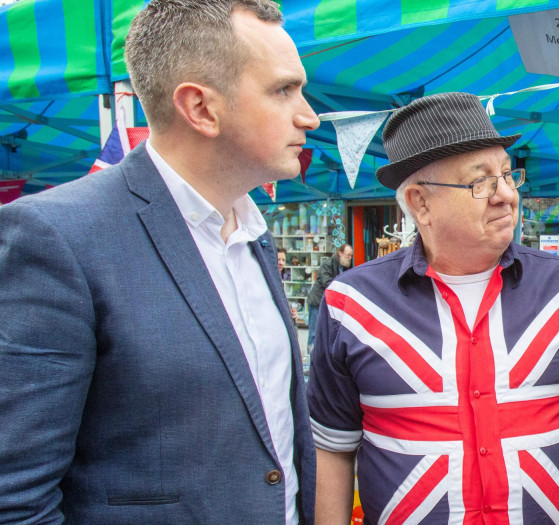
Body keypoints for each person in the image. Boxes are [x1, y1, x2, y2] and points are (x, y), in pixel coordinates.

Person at [0, 1, 319, 522]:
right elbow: (15, 496)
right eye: (284, 90)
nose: (309, 115)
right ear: (200, 109)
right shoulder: (57, 237)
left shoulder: (254, 233)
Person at [306, 92, 559, 525]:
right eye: (481, 181)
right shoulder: (351, 305)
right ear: (420, 203)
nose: (505, 196)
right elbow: (332, 448)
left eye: (507, 175)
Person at [306, 243, 353, 348]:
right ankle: (310, 357)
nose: (350, 258)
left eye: (351, 255)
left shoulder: (345, 268)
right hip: (317, 302)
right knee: (314, 332)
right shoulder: (328, 264)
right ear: (340, 253)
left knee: (327, 333)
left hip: (330, 304)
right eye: (348, 255)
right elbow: (328, 283)